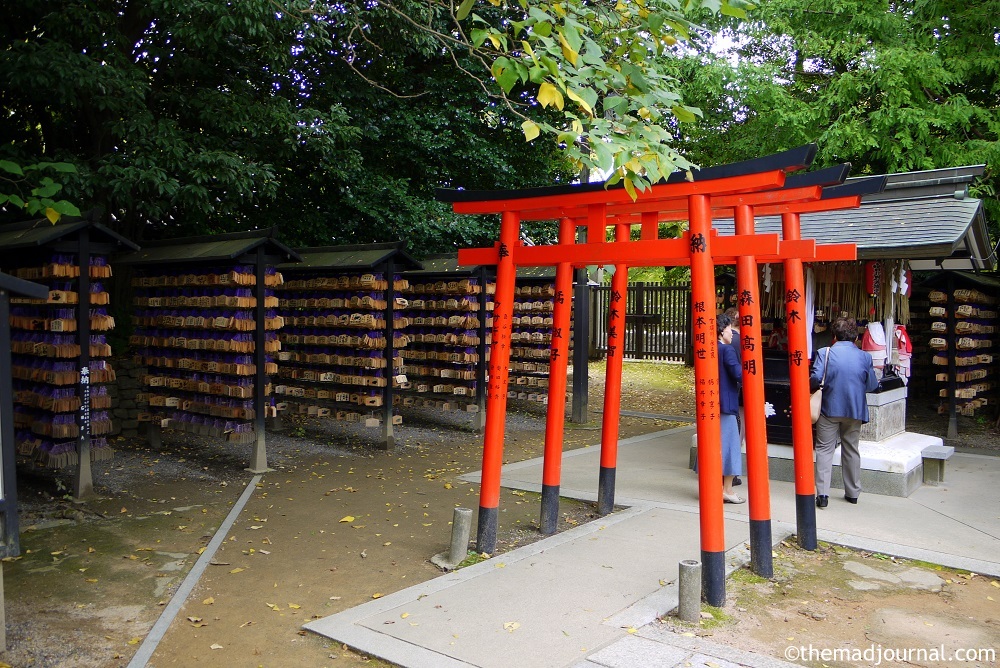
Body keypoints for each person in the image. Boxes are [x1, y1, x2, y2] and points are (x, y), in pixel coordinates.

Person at [810, 317, 878, 508]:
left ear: (833, 336)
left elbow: (815, 378)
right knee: (851, 449)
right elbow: (872, 385)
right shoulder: (865, 357)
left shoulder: (825, 353)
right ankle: (853, 492)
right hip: (854, 409)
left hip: (829, 408)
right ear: (856, 337)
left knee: (824, 449)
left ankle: (823, 495)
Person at [717, 313, 745, 504]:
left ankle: (718, 487)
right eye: (728, 329)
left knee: (716, 446)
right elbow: (739, 374)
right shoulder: (727, 350)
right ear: (721, 331)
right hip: (726, 405)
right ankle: (727, 489)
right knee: (730, 447)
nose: (732, 333)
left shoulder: (711, 349)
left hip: (713, 404)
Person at [723, 307, 743, 487]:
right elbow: (739, 372)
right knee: (732, 433)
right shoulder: (733, 345)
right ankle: (730, 476)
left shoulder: (726, 344)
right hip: (729, 395)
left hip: (722, 394)